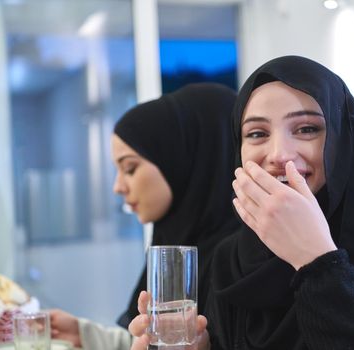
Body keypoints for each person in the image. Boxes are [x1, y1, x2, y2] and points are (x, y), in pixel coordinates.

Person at [129, 56, 354, 349]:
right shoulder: (232, 258)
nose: (278, 155)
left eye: (306, 129)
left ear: (343, 141)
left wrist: (316, 261)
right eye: (257, 134)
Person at [50, 82, 240, 349]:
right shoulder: (177, 241)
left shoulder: (243, 262)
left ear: (180, 161)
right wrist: (85, 335)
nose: (118, 186)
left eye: (130, 168)